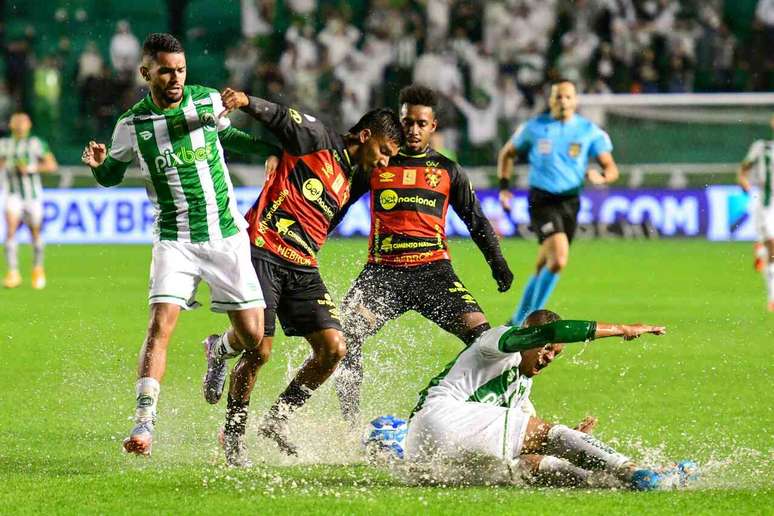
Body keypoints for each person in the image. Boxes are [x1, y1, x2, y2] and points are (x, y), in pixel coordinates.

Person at [81, 33, 278, 456]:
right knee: (159, 326)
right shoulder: (131, 125)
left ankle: (217, 348)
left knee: (253, 337)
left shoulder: (206, 101)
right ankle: (143, 425)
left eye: (181, 69)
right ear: (146, 72)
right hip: (174, 239)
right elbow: (113, 174)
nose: (175, 78)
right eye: (166, 70)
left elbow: (232, 139)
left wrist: (274, 149)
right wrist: (100, 167)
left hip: (225, 235)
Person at [206, 87, 403, 466]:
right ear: (365, 136)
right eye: (383, 152)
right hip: (262, 249)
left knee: (333, 349)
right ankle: (233, 438)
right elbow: (281, 117)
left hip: (302, 265)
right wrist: (247, 101)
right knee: (259, 350)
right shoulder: (318, 139)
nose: (383, 163)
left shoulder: (355, 179)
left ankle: (277, 420)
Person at [331, 84, 513, 424]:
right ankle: (348, 424)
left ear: (434, 126)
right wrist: (311, 241)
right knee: (344, 337)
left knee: (485, 341)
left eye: (421, 123)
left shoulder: (448, 171)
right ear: (399, 122)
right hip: (382, 275)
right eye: (407, 122)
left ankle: (480, 417)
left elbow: (475, 218)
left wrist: (497, 262)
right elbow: (338, 208)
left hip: (434, 274)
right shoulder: (376, 163)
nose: (413, 130)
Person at [405, 309, 692, 490]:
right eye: (546, 348)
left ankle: (626, 481)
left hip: (429, 455)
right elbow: (554, 331)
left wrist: (572, 441)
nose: (548, 357)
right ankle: (634, 471)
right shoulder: (498, 342)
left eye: (556, 354)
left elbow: (536, 444)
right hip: (440, 417)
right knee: (549, 434)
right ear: (530, 337)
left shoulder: (521, 390)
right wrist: (622, 329)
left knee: (535, 465)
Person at [497, 79, 620, 327]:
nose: (563, 101)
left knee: (544, 263)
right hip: (542, 200)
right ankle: (530, 321)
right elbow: (507, 154)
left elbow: (612, 169)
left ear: (575, 101)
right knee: (559, 259)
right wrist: (504, 188)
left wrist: (601, 176)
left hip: (570, 202)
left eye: (567, 97)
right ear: (550, 100)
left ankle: (515, 319)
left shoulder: (588, 131)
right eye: (558, 97)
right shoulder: (534, 128)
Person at [1, 112, 57, 289]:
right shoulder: (4, 144)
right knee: (10, 230)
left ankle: (38, 268)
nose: (19, 123)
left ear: (29, 124)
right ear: (10, 124)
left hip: (32, 196)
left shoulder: (36, 144)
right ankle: (13, 273)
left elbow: (51, 165)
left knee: (35, 232)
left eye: (23, 120)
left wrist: (31, 168)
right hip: (12, 193)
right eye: (16, 120)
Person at [738, 114, 774, 312]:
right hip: (766, 204)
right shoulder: (762, 147)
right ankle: (773, 298)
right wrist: (743, 179)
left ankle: (760, 250)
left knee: (769, 252)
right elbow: (744, 168)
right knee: (772, 246)